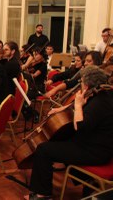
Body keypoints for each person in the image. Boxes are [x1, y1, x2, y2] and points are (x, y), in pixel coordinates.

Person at [25, 65, 113, 200]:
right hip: (99, 147)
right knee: (61, 139)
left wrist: (77, 105)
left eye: (82, 82)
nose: (80, 86)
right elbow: (85, 105)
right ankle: (88, 180)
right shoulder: (103, 95)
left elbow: (80, 126)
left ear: (87, 86)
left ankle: (42, 194)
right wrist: (61, 109)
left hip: (94, 152)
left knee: (43, 149)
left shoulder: (99, 103)